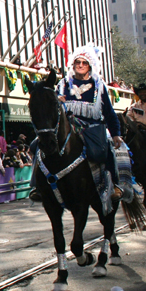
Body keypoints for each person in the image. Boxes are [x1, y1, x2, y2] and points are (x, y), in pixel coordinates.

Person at [29, 47, 124, 203]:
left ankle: (115, 184)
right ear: (72, 65)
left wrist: (115, 133)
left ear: (90, 65)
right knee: (36, 146)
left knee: (106, 146)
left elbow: (109, 112)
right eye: (77, 62)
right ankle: (37, 186)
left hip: (92, 125)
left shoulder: (99, 85)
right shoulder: (63, 84)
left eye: (84, 63)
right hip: (68, 123)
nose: (80, 65)